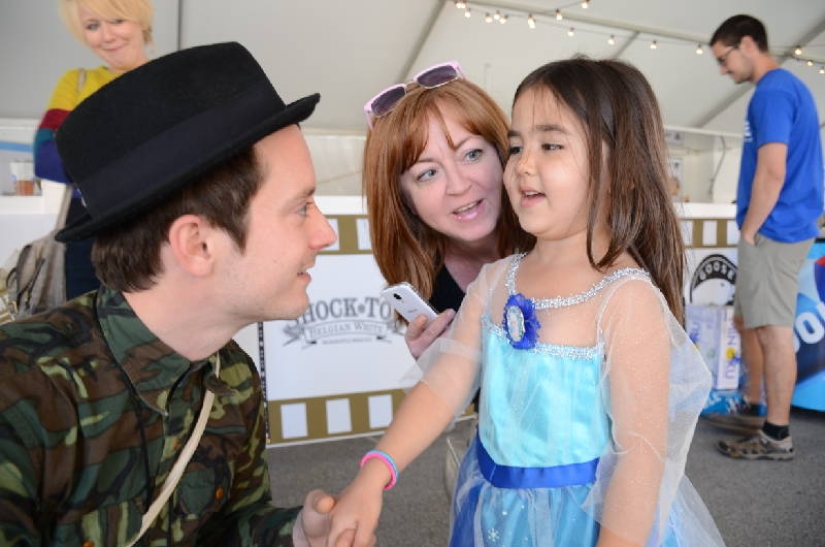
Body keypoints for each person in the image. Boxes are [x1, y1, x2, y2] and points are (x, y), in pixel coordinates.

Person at [327, 58, 725, 547]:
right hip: (496, 512)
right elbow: (443, 387)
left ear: (621, 168)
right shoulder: (495, 281)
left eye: (551, 145)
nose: (524, 164)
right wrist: (375, 472)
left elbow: (641, 455)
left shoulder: (626, 298)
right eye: (516, 146)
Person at [0, 42, 360, 546]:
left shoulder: (231, 377)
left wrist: (295, 535)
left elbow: (225, 530)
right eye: (301, 207)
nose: (325, 233)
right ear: (198, 244)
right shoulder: (20, 398)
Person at [707, 14, 824, 460]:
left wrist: (752, 228)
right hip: (781, 225)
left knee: (774, 332)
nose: (723, 69)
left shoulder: (772, 92)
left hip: (774, 229)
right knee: (749, 322)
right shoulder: (786, 88)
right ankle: (756, 407)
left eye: (724, 58)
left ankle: (776, 435)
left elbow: (772, 171)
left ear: (748, 44)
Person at [362, 61, 533, 359]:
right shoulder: (427, 289)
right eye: (428, 173)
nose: (458, 186)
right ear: (403, 200)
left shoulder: (562, 237)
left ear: (504, 153)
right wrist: (440, 376)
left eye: (471, 154)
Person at [34, 0, 154, 300]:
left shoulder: (174, 79)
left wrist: (91, 148)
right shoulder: (76, 82)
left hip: (162, 229)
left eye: (116, 20)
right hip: (87, 236)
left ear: (139, 20)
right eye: (92, 26)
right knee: (89, 338)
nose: (107, 36)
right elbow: (46, 159)